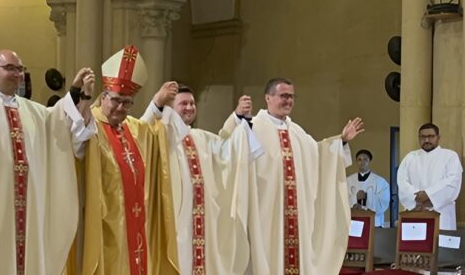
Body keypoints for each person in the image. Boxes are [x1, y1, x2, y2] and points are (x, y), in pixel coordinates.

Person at [0, 49, 96, 275]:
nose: (17, 74)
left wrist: (76, 91)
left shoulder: (31, 110)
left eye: (20, 69)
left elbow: (57, 125)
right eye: (10, 68)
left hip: (29, 205)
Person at [220, 77, 364, 274]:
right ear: (268, 98)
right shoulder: (251, 127)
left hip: (297, 218)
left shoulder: (298, 133)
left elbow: (320, 156)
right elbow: (226, 148)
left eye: (291, 96)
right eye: (283, 96)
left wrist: (342, 141)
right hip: (264, 216)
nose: (288, 100)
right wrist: (237, 117)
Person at [140, 84, 261, 275]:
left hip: (202, 220)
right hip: (176, 220)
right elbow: (140, 136)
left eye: (192, 103)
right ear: (171, 107)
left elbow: (226, 150)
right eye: (183, 103)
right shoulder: (162, 137)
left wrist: (237, 117)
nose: (189, 107)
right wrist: (157, 102)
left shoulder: (200, 137)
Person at [80, 45, 178, 275]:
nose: (121, 108)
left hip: (135, 221)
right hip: (102, 223)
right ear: (103, 98)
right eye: (115, 100)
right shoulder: (89, 126)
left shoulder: (132, 128)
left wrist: (158, 102)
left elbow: (151, 135)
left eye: (127, 103)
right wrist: (82, 97)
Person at [397, 123, 463, 230]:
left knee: (440, 244)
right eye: (423, 137)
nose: (427, 140)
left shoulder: (450, 156)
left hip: (441, 212)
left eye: (431, 136)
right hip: (416, 210)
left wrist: (429, 195)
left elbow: (452, 181)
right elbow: (402, 181)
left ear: (438, 137)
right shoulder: (410, 157)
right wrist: (416, 196)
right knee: (415, 244)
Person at [345, 149, 391, 227]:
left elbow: (384, 202)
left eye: (365, 159)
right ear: (356, 162)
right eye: (359, 160)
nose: (362, 162)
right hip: (353, 221)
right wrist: (355, 199)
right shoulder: (348, 180)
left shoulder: (380, 181)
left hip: (374, 223)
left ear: (369, 161)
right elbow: (343, 199)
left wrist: (367, 197)